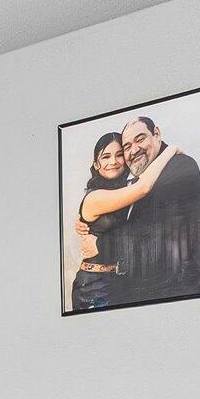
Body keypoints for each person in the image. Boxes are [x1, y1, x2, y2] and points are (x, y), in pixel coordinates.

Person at [94, 113, 200, 305]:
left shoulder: (179, 167)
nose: (134, 150)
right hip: (134, 292)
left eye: (140, 138)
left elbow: (188, 236)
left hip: (173, 290)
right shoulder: (130, 178)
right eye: (126, 147)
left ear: (157, 134)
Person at [68, 130, 134, 312]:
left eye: (119, 154)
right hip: (94, 288)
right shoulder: (95, 197)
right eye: (106, 157)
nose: (113, 161)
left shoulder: (126, 190)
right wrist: (171, 150)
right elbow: (145, 187)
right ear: (97, 164)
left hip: (122, 283)